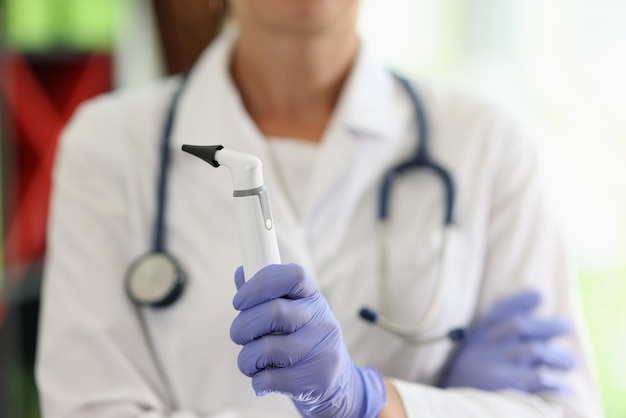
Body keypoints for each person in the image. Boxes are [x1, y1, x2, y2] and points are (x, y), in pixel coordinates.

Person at [36, 1, 603, 417]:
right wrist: (413, 408)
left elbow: (563, 410)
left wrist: (373, 401)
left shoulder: (485, 143)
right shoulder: (110, 147)